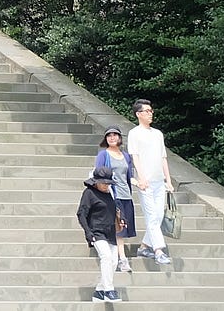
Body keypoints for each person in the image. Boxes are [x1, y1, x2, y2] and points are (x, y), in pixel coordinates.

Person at [128, 98, 175, 264]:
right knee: (151, 216)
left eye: (151, 111)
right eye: (147, 111)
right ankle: (158, 250)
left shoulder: (157, 134)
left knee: (159, 215)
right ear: (138, 114)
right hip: (145, 182)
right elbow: (135, 157)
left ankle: (143, 246)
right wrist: (141, 177)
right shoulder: (135, 133)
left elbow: (163, 157)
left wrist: (168, 180)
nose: (150, 114)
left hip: (159, 181)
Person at [77, 166, 122, 304]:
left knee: (114, 261)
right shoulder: (89, 193)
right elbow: (81, 214)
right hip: (96, 231)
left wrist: (122, 220)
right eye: (103, 183)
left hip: (110, 232)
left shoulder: (109, 193)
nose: (106, 185)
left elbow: (113, 210)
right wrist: (88, 232)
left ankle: (99, 290)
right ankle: (109, 290)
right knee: (106, 257)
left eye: (108, 183)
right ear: (95, 181)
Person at [95, 127, 137, 272]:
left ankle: (118, 258)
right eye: (109, 136)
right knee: (119, 227)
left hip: (126, 195)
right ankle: (122, 259)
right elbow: (98, 175)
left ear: (119, 138)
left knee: (122, 228)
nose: (112, 138)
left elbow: (129, 175)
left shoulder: (125, 156)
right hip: (112, 195)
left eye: (115, 135)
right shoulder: (103, 155)